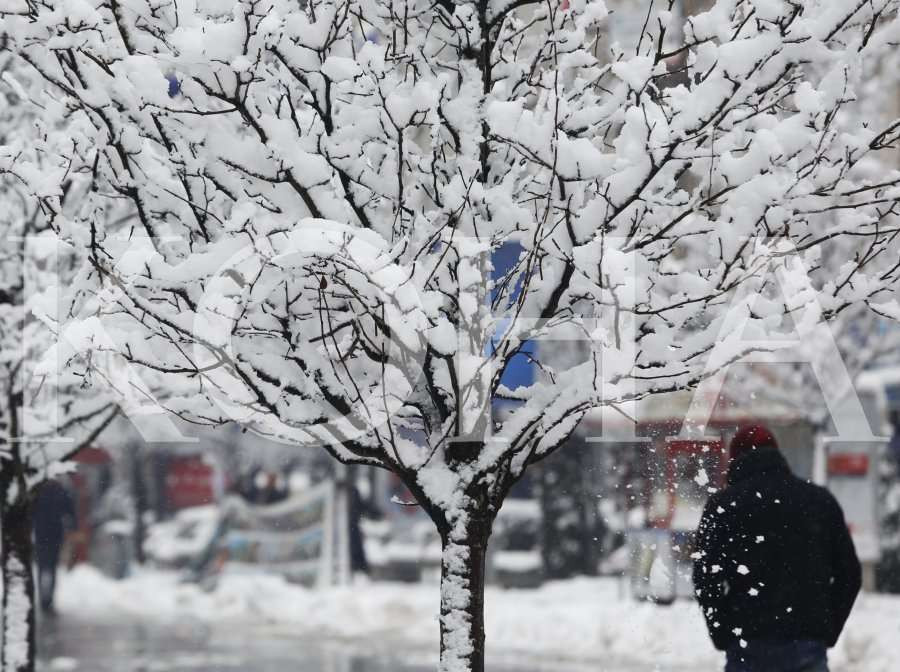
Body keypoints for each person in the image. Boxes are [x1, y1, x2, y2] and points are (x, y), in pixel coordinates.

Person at [693, 425, 861, 672]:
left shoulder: (722, 507)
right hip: (806, 641)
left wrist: (723, 632)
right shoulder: (819, 501)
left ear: (735, 460)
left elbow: (705, 577)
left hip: (747, 643)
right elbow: (849, 574)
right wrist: (825, 628)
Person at [32, 478, 77, 614]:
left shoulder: (39, 490)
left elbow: (70, 511)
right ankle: (47, 601)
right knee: (50, 568)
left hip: (44, 535)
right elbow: (70, 512)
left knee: (44, 568)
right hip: (53, 535)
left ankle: (45, 600)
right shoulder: (59, 490)